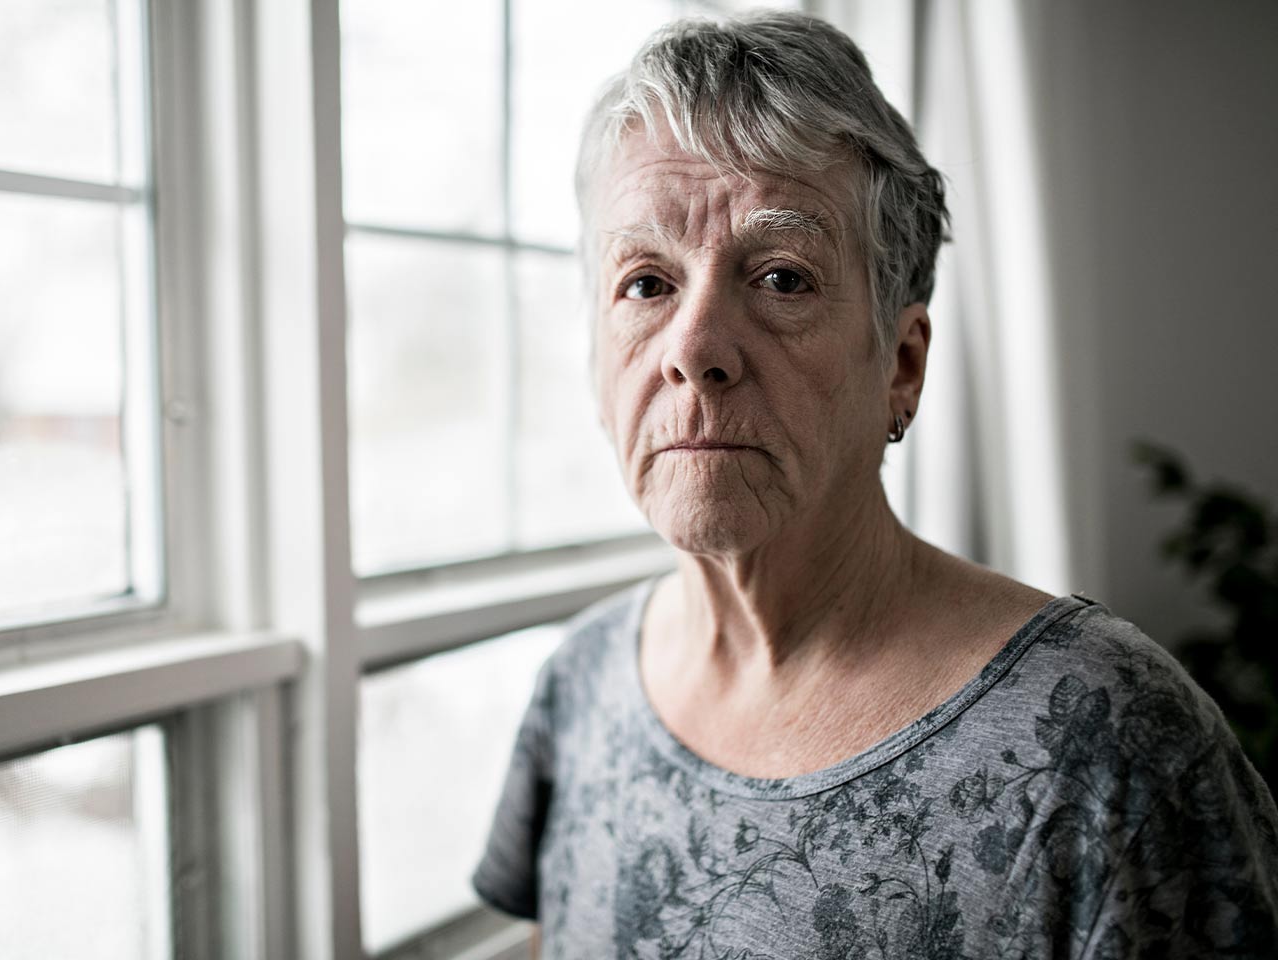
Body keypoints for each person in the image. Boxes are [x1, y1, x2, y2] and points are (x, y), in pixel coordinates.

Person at [473, 10, 1278, 958]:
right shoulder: (580, 684)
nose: (693, 351)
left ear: (901, 364)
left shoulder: (1107, 740)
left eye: (781, 277)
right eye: (645, 284)